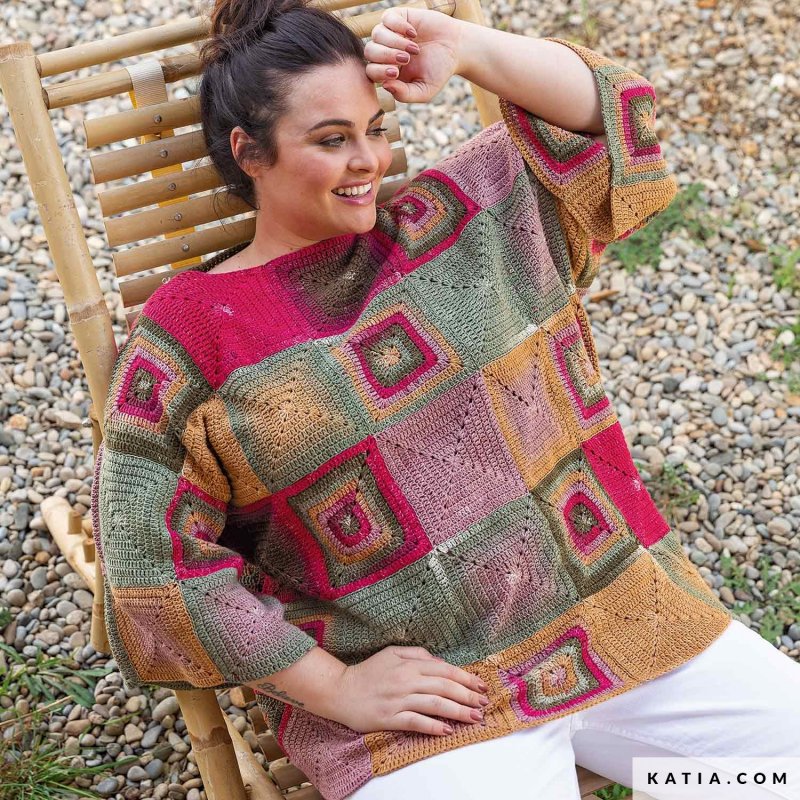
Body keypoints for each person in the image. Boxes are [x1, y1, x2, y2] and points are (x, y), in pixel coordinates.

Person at [91, 0, 800, 798]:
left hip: (613, 619)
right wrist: (335, 687)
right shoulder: (192, 332)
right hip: (424, 712)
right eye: (332, 139)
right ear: (248, 152)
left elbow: (614, 119)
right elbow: (148, 561)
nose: (369, 160)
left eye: (376, 128)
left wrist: (464, 47)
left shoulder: (457, 223)